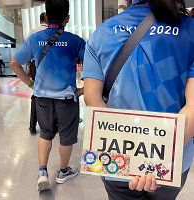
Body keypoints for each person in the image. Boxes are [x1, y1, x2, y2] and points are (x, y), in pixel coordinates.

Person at [81, 0, 194, 199]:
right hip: (172, 162)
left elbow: (93, 100)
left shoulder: (102, 32)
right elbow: (192, 107)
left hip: (117, 159)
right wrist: (155, 161)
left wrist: (135, 160)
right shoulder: (190, 30)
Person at [10, 0, 85, 192]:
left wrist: (31, 84)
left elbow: (14, 64)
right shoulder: (75, 40)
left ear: (46, 15)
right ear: (67, 18)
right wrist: (84, 90)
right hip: (67, 98)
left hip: (41, 97)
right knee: (66, 137)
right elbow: (94, 66)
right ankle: (62, 171)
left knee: (45, 133)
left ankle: (42, 171)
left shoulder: (35, 39)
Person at [27, 12, 48, 134]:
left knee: (36, 94)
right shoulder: (55, 32)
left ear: (40, 20)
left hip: (36, 65)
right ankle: (51, 124)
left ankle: (32, 124)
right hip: (52, 66)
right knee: (52, 94)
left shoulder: (32, 32)